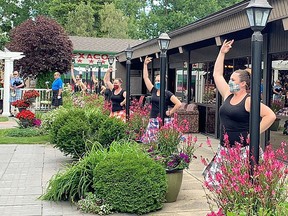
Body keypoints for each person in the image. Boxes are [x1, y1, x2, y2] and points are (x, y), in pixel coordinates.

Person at [203, 39, 276, 184]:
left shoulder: (249, 100)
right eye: (230, 79)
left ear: (243, 84)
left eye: (233, 80)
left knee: (240, 186)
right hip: (225, 148)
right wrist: (222, 53)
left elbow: (270, 115)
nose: (229, 82)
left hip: (242, 150)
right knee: (220, 185)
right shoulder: (228, 94)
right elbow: (217, 75)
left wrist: (253, 133)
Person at [141, 56, 181, 143]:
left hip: (164, 119)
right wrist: (145, 65)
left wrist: (171, 112)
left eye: (159, 80)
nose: (157, 82)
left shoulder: (167, 93)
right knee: (151, 140)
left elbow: (178, 103)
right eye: (156, 80)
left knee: (162, 140)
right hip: (153, 118)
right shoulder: (153, 90)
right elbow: (146, 78)